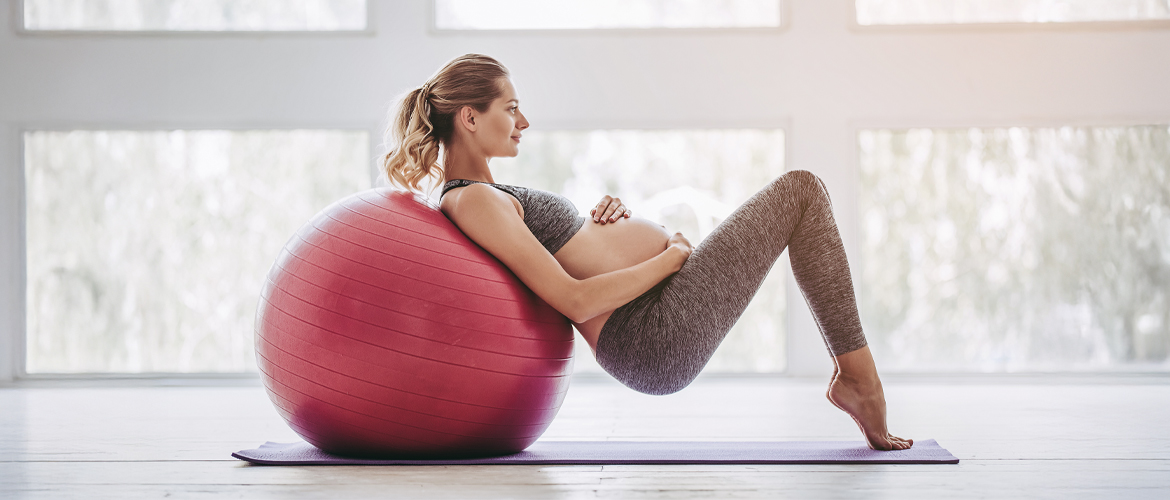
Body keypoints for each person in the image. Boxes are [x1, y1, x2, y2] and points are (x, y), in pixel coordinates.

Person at [381, 54, 912, 451]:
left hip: (653, 316)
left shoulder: (487, 195)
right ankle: (860, 381)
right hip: (649, 338)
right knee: (801, 191)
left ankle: (856, 379)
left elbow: (570, 257)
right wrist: (669, 256)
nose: (523, 122)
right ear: (469, 118)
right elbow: (574, 297)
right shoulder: (471, 199)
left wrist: (600, 226)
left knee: (802, 193)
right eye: (511, 108)